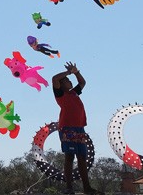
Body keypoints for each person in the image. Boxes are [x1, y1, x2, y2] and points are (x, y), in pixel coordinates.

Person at [51, 62, 102, 195]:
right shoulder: (60, 95)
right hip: (67, 129)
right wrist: (68, 72)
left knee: (82, 157)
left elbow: (83, 82)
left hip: (79, 129)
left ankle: (87, 188)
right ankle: (69, 188)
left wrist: (76, 72)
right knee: (69, 157)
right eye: (67, 81)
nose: (70, 82)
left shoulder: (74, 93)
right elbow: (54, 79)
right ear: (61, 85)